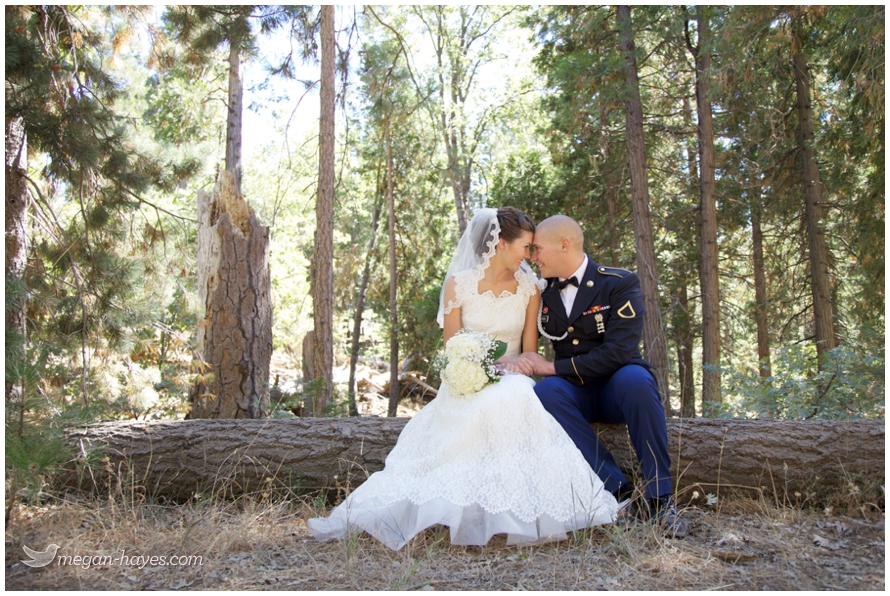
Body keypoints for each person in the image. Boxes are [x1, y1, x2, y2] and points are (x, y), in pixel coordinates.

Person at [307, 208, 618, 550]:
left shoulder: (530, 288)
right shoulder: (459, 285)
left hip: (514, 379)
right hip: (467, 378)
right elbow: (452, 349)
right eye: (525, 247)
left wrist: (508, 368)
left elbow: (529, 354)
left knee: (513, 395)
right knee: (485, 403)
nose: (530, 255)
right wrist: (479, 369)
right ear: (501, 244)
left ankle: (521, 508)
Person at [521, 215, 687, 537]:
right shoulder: (541, 293)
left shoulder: (619, 283)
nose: (533, 257)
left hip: (618, 389)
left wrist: (551, 367)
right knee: (546, 392)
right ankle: (619, 492)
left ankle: (660, 498)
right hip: (576, 394)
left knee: (637, 380)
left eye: (538, 249)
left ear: (564, 245)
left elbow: (618, 352)